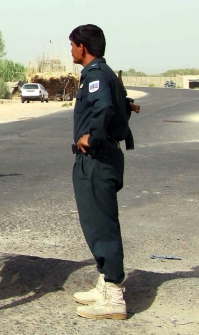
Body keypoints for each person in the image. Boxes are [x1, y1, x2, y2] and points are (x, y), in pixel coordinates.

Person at [68, 24, 132, 320]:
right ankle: (106, 281)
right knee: (97, 222)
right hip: (103, 158)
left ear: (83, 46)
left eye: (72, 45)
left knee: (101, 225)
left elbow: (105, 108)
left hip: (97, 159)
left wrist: (91, 138)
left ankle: (115, 294)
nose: (71, 50)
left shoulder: (95, 76)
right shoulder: (104, 73)